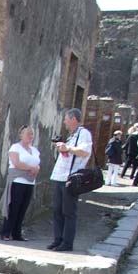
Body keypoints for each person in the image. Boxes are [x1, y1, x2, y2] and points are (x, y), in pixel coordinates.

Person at [48, 108, 92, 252]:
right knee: (57, 210)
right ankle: (58, 239)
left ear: (73, 119)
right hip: (60, 177)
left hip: (71, 179)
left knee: (68, 212)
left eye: (66, 119)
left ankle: (67, 243)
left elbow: (85, 151)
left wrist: (67, 148)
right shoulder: (72, 135)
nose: (64, 122)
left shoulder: (83, 133)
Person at [0, 125, 41, 241]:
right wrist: (31, 168)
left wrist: (35, 169)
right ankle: (6, 232)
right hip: (18, 181)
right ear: (21, 135)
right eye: (27, 133)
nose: (30, 136)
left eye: (31, 134)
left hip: (30, 182)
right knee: (14, 207)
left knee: (23, 208)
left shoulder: (35, 150)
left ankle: (17, 233)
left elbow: (37, 164)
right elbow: (16, 163)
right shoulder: (15, 147)